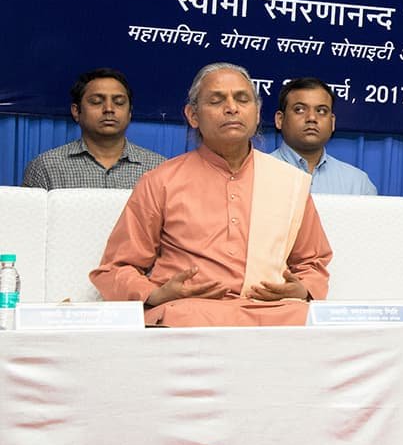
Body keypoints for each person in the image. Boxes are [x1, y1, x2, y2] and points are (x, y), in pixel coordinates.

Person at [90, 63, 331, 327]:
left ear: (257, 112)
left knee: (309, 319)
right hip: (190, 311)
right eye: (217, 100)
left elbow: (312, 261)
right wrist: (155, 294)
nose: (232, 108)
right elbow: (116, 268)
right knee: (181, 317)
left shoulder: (289, 183)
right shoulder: (161, 182)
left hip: (270, 312)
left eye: (242, 99)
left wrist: (302, 290)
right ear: (193, 115)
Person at [23, 68, 166, 189]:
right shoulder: (46, 167)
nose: (109, 109)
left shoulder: (159, 169)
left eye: (119, 102)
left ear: (130, 113)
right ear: (76, 111)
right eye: (96, 102)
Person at [270, 77, 377, 195]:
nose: (312, 118)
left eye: (321, 111)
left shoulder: (358, 184)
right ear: (280, 120)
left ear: (332, 122)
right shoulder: (256, 174)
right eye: (299, 109)